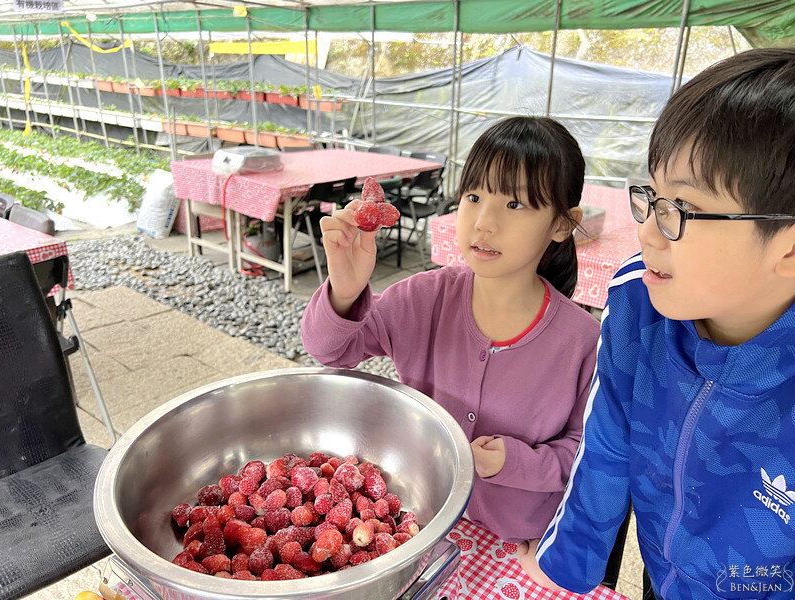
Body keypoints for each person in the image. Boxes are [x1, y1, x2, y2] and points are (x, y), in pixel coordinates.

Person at [520, 48, 795, 599]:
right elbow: (606, 443)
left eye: (682, 210)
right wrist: (565, 562)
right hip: (662, 567)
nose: (646, 230)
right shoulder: (637, 302)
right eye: (653, 196)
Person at [301, 116, 600, 545]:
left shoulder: (582, 340)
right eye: (474, 196)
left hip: (518, 544)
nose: (483, 222)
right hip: (422, 522)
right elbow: (331, 350)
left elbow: (586, 452)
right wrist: (345, 291)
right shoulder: (424, 298)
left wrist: (516, 462)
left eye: (514, 205)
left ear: (562, 224)